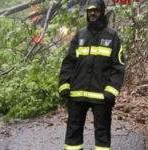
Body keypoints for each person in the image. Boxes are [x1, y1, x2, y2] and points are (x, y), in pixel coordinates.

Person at [58, 0, 125, 150]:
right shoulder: (80, 35)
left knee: (102, 134)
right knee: (72, 134)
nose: (92, 13)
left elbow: (118, 66)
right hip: (77, 94)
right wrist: (64, 84)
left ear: (102, 12)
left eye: (96, 10)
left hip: (101, 96)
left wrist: (111, 91)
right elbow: (69, 62)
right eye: (90, 11)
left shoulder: (112, 36)